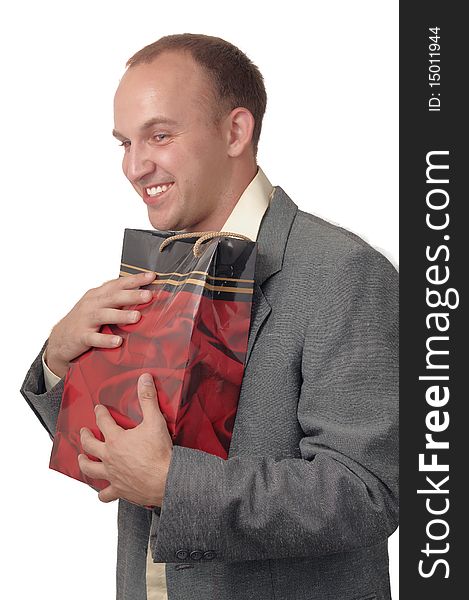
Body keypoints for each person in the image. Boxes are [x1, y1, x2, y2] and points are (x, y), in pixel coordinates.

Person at [20, 33, 398, 600]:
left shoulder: (344, 272)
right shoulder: (156, 268)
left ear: (235, 132)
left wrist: (172, 483)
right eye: (124, 142)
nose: (134, 165)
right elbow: (113, 457)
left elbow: (368, 490)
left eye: (160, 135)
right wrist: (59, 358)